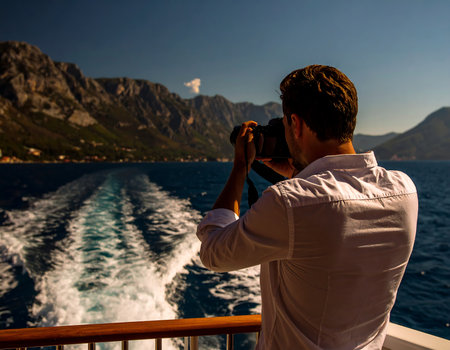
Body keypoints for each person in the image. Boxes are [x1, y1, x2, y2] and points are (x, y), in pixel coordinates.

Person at [196, 65, 418, 349]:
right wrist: (301, 173)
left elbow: (214, 253)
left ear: (296, 124)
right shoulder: (404, 190)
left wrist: (241, 167)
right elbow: (336, 200)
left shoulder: (288, 202)